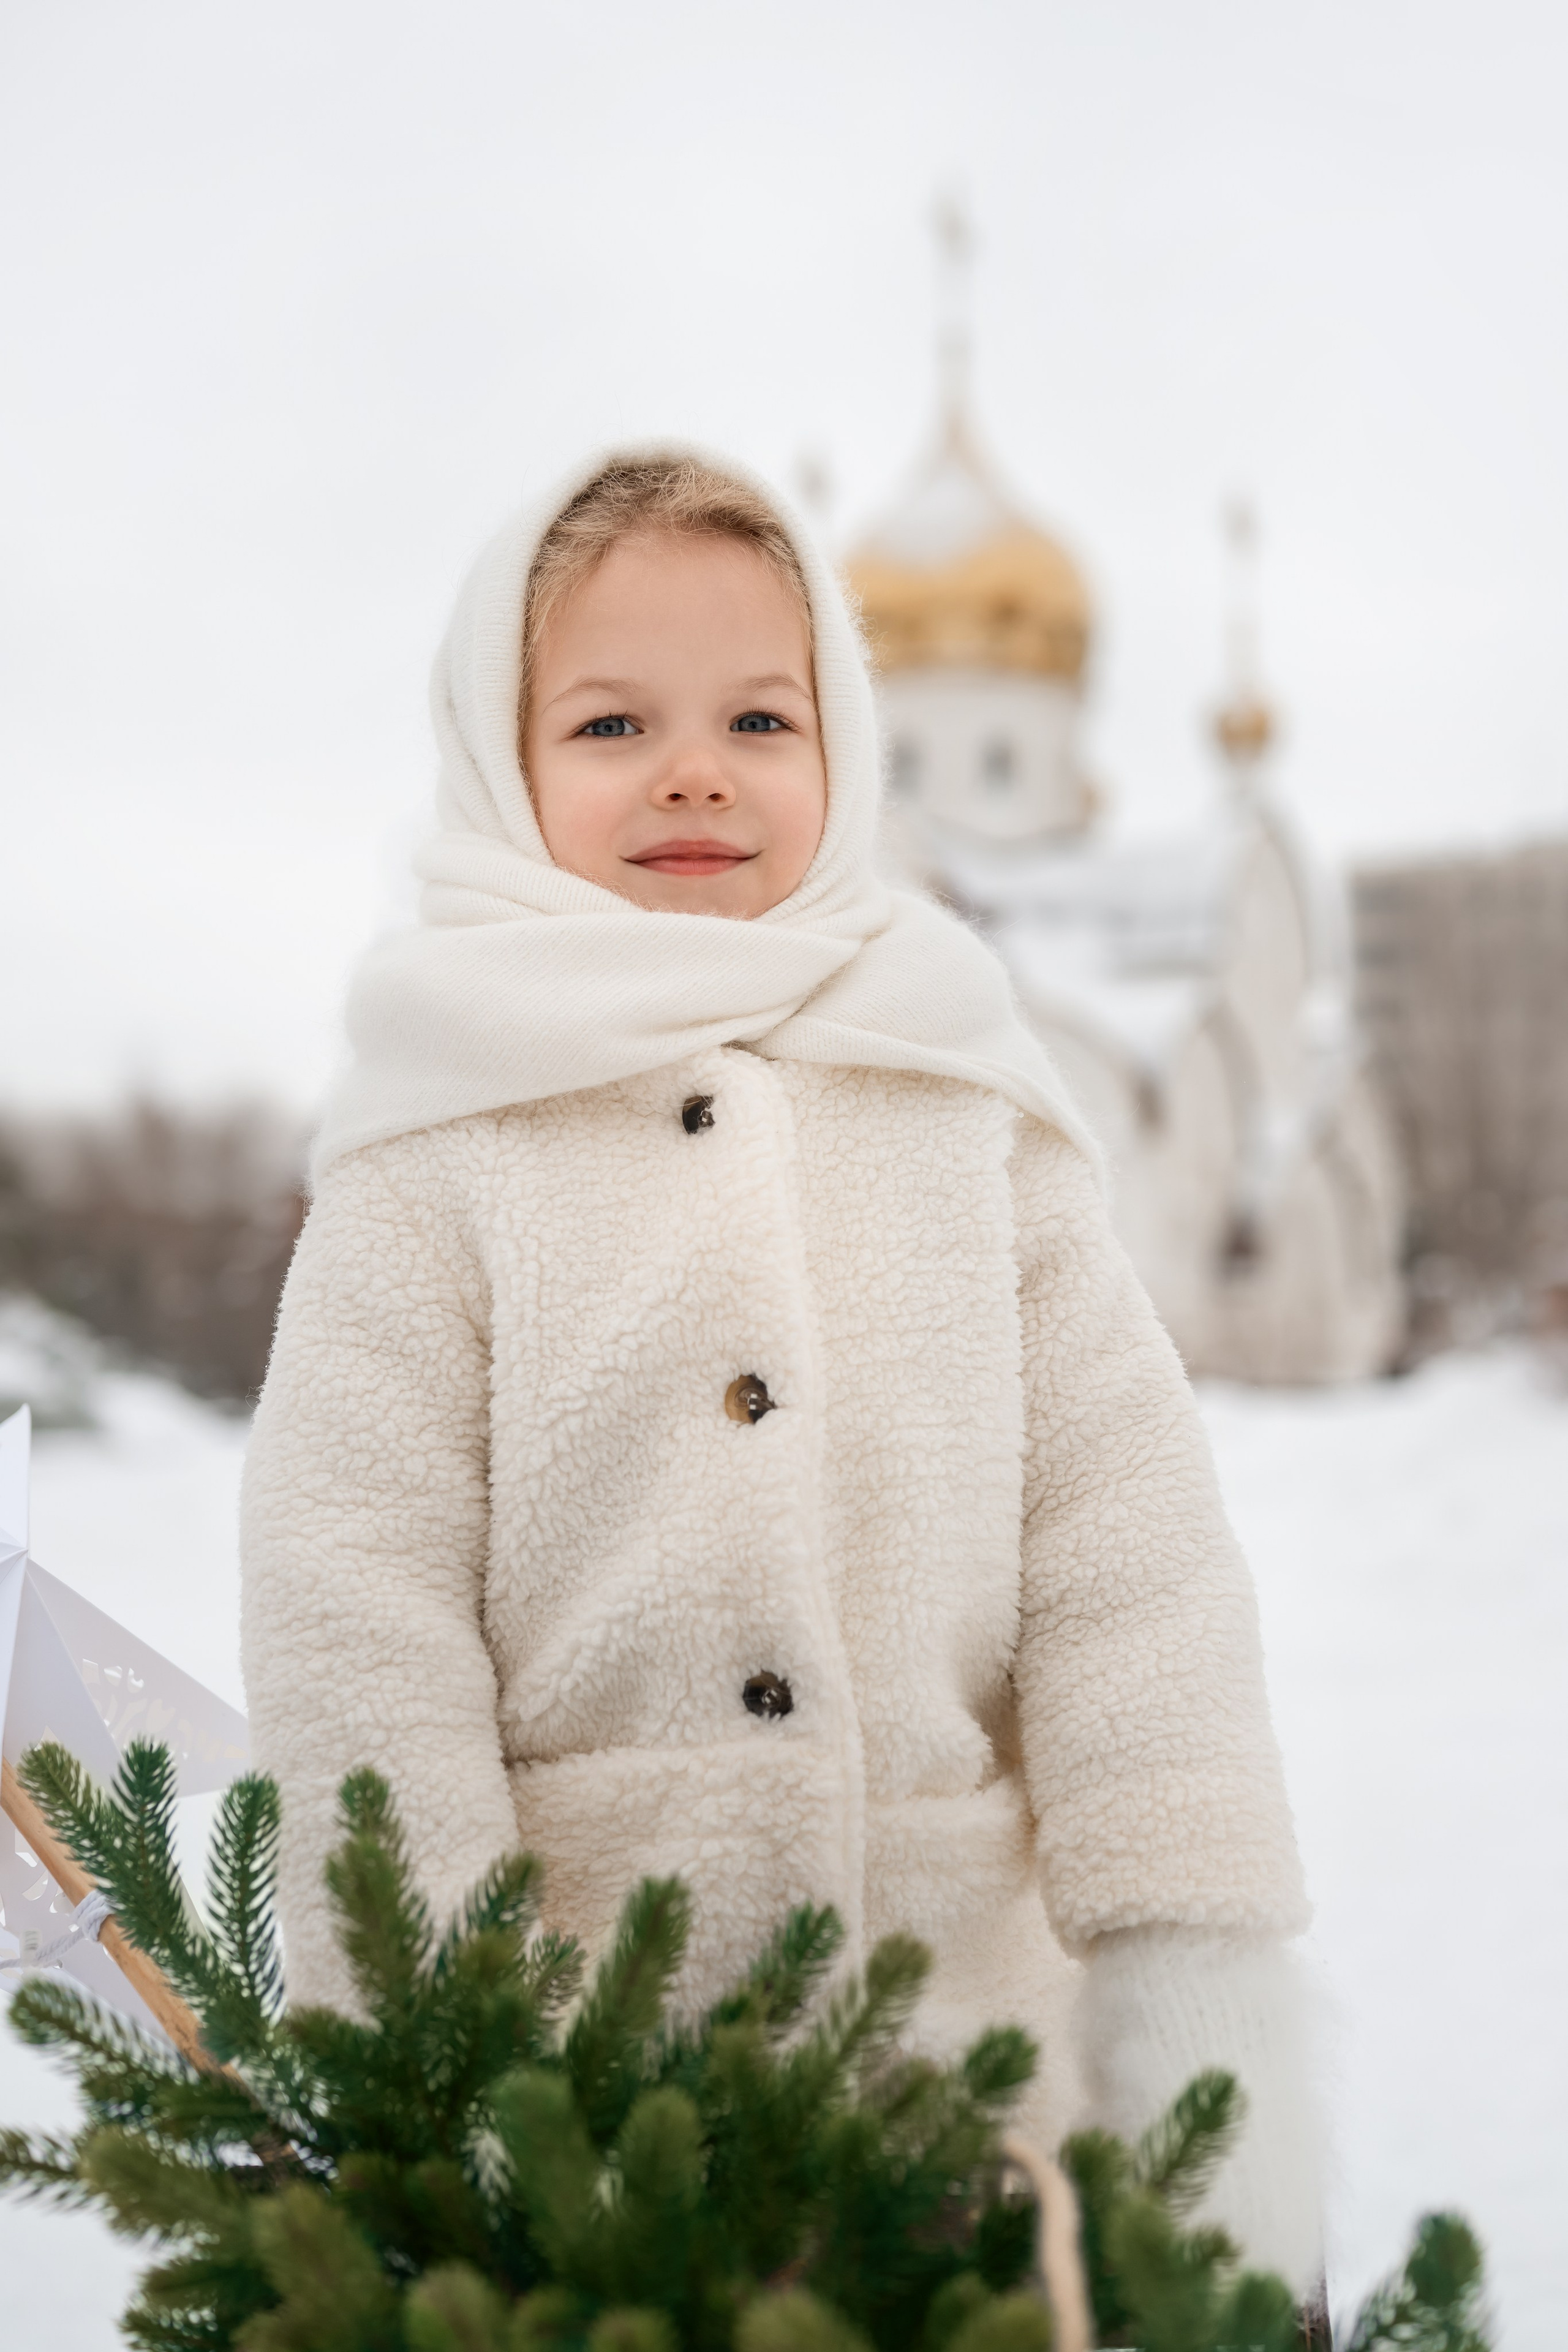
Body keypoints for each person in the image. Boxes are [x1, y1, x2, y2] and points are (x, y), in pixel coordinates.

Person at [241, 449, 1319, 2287]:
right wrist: (432, 2042)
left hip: (969, 2085)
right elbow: (356, 1601)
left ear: (847, 742)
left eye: (760, 712)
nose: (694, 767)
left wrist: (1189, 1967)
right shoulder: (436, 1136)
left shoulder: (965, 1100)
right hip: (583, 2090)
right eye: (606, 723)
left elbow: (1128, 1560)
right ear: (498, 766)